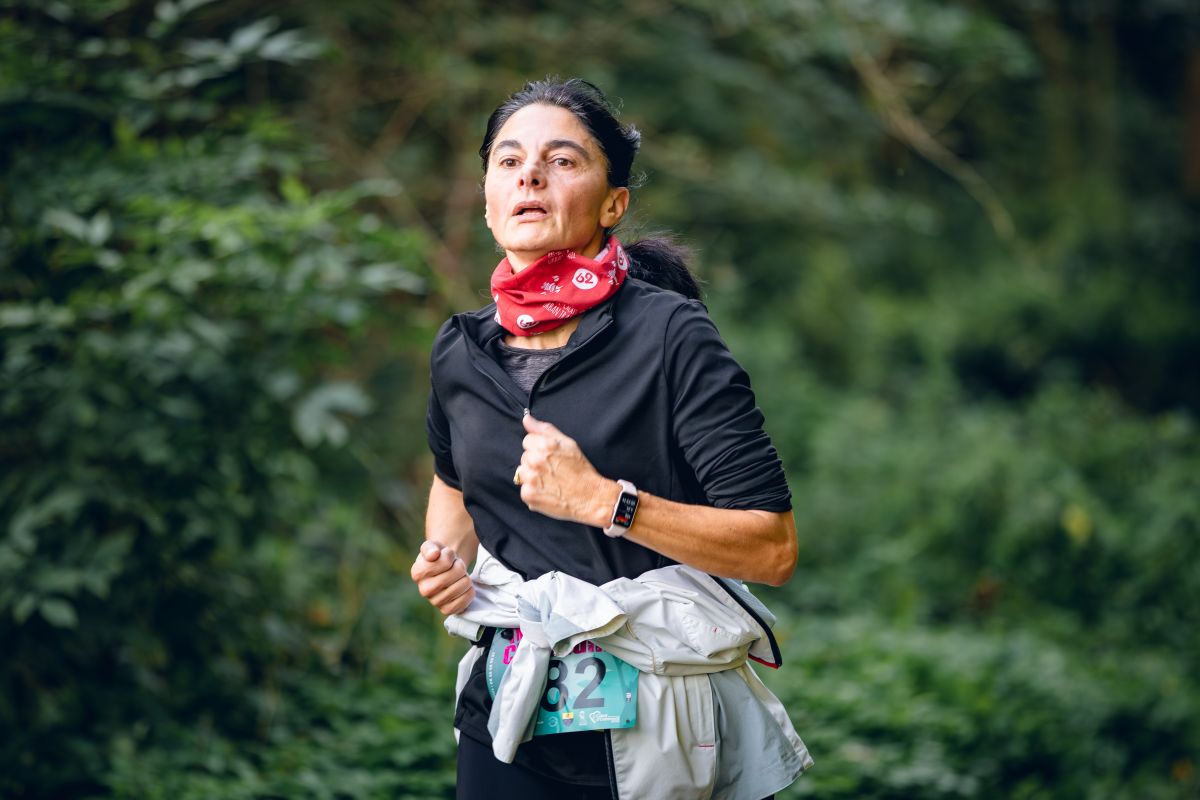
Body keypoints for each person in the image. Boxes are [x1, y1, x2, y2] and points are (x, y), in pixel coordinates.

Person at [410, 77, 810, 799]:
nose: (530, 175)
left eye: (562, 160)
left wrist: (608, 503)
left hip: (663, 714)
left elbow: (771, 548)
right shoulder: (460, 352)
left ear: (613, 204)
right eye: (509, 160)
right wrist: (445, 559)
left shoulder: (670, 335)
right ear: (488, 198)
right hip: (507, 712)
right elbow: (454, 483)